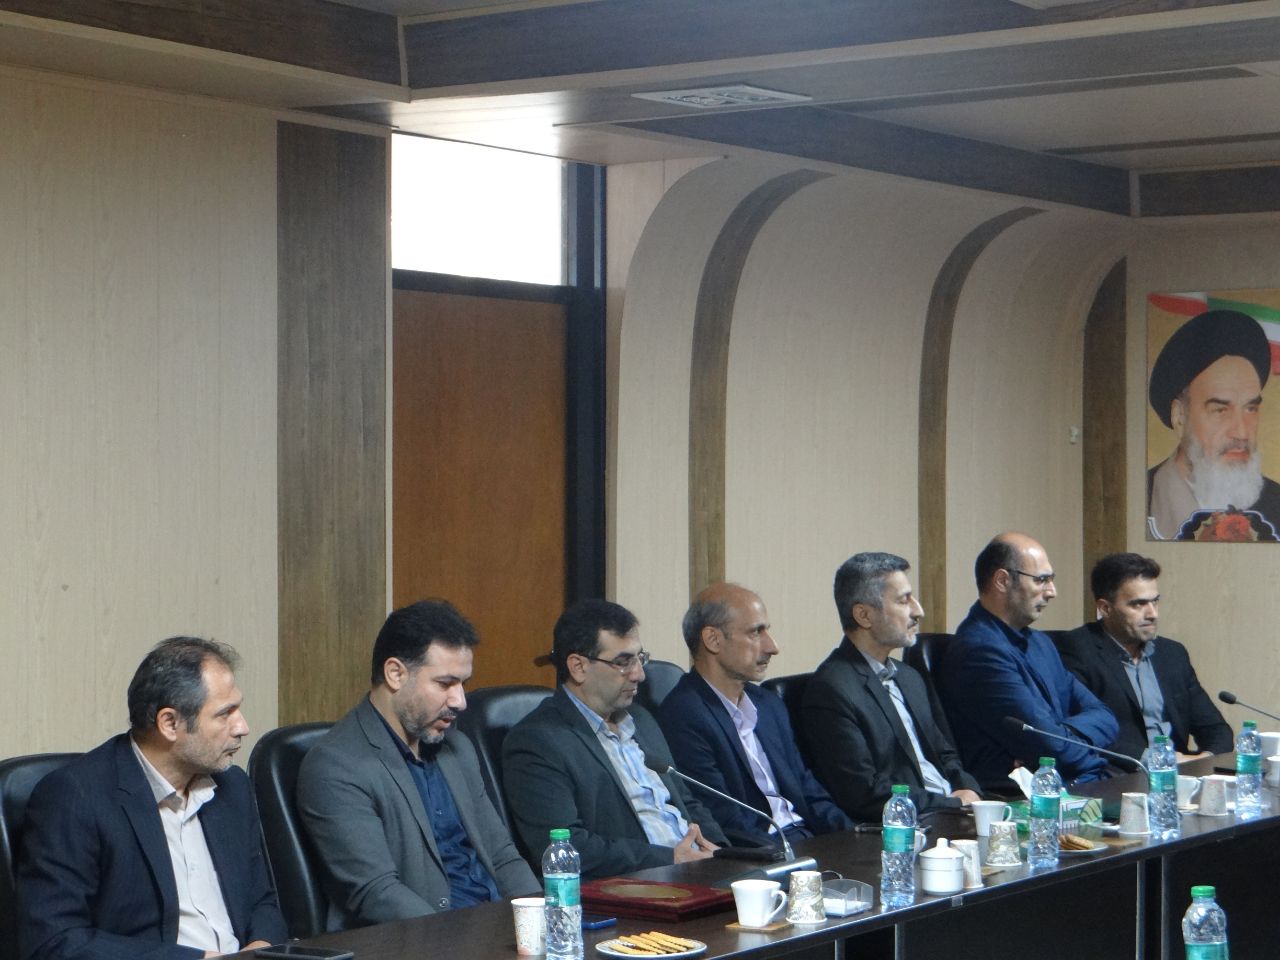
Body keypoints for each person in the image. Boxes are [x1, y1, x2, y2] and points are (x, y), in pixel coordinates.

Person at [18, 637, 286, 960]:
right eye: (225, 713)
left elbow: (262, 901)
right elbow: (55, 940)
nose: (242, 727)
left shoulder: (232, 786)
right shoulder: (75, 797)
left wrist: (260, 949)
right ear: (169, 723)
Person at [296, 600, 537, 927]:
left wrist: (545, 923)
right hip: (423, 938)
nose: (460, 701)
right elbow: (377, 893)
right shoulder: (336, 765)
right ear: (395, 674)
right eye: (445, 684)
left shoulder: (458, 749)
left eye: (463, 684)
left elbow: (502, 857)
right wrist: (459, 941)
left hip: (495, 929)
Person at [502, 599, 726, 880]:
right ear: (578, 666)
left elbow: (686, 803)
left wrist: (722, 853)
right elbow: (567, 847)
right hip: (636, 885)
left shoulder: (641, 720)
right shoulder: (537, 741)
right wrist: (670, 859)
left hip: (699, 874)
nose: (639, 674)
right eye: (623, 662)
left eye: (640, 658)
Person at [656, 583, 852, 847]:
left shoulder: (768, 704)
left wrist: (854, 838)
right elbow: (723, 818)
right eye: (755, 632)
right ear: (713, 640)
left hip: (808, 840)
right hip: (762, 852)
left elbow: (809, 791)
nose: (772, 647)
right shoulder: (684, 714)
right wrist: (787, 857)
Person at [799, 554, 982, 822]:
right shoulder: (832, 690)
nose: (918, 611)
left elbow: (945, 754)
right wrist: (951, 803)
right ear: (864, 615)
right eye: (903, 600)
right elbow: (864, 792)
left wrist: (968, 790)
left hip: (953, 813)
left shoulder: (909, 677)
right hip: (906, 826)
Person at [933, 533, 1119, 791]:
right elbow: (1051, 749)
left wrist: (1062, 732)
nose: (1052, 592)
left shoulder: (1041, 643)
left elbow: (1107, 717)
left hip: (1077, 779)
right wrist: (1072, 743)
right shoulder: (979, 651)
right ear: (1002, 580)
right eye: (1041, 580)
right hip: (1023, 796)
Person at [1055, 553, 1232, 764]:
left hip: (1177, 773)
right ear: (1105, 608)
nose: (1152, 614)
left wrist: (1203, 760)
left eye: (1155, 601)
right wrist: (1157, 760)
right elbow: (1081, 733)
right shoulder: (1077, 650)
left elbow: (1216, 729)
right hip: (1118, 773)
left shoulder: (1172, 654)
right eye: (1138, 604)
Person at [1147, 308, 1280, 540]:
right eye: (1220, 410)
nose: (1241, 432)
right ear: (1179, 417)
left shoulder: (1276, 502)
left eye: (1250, 408)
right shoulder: (1142, 495)